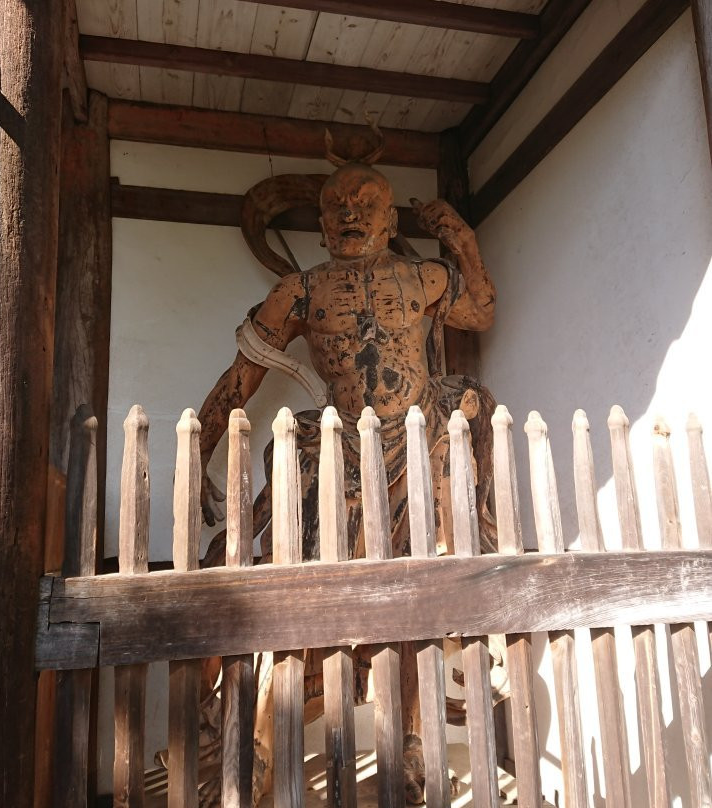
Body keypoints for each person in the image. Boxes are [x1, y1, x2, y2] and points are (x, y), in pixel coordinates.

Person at [197, 156, 497, 804]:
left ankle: (411, 742)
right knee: (295, 590)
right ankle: (258, 748)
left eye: (365, 203)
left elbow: (479, 312)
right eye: (336, 205)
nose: (350, 214)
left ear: (390, 221)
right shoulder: (300, 292)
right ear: (321, 222)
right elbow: (241, 377)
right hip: (338, 454)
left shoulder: (424, 277)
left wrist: (463, 242)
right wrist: (200, 451)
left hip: (418, 444)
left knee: (420, 586)